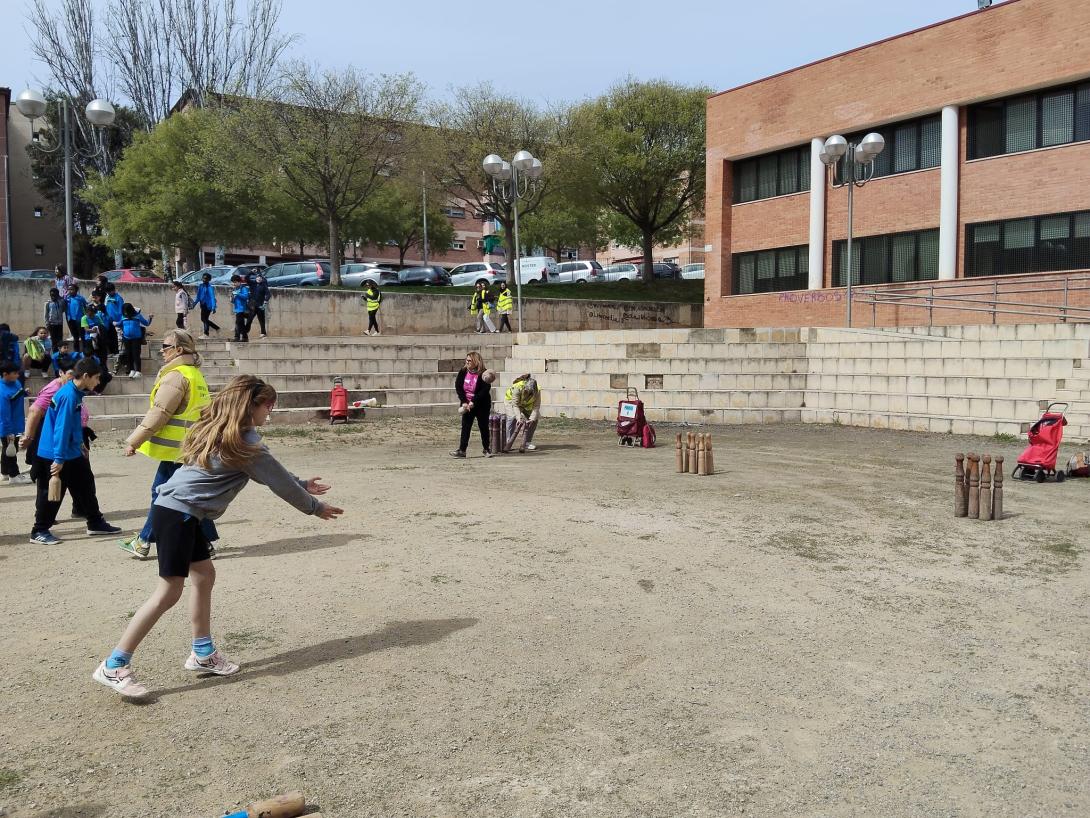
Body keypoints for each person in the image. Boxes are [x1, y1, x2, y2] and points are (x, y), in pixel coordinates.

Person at [92, 375, 344, 698]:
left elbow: (275, 474)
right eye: (268, 406)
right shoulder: (246, 443)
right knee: (168, 592)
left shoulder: (230, 433)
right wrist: (314, 506)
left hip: (180, 510)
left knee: (204, 575)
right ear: (250, 406)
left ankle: (202, 653)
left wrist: (301, 483)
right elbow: (277, 482)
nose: (270, 412)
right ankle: (114, 664)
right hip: (178, 512)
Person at [118, 330, 220, 560]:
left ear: (179, 350)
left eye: (166, 346)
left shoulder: (176, 376)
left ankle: (143, 541)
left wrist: (134, 441)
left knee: (162, 494)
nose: (162, 350)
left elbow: (160, 412)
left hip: (176, 450)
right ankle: (204, 543)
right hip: (191, 446)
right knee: (189, 495)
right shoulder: (194, 374)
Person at [29, 357, 121, 545]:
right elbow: (61, 429)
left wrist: (80, 444)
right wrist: (59, 458)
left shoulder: (75, 393)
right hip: (57, 452)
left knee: (86, 485)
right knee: (54, 492)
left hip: (72, 451)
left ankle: (95, 522)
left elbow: (73, 425)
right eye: (96, 378)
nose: (98, 382)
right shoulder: (69, 396)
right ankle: (39, 530)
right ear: (86, 376)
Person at [451, 351, 492, 458]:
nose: (467, 362)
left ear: (475, 361)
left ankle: (486, 449)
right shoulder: (463, 371)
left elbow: (485, 390)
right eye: (467, 360)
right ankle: (462, 450)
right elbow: (458, 386)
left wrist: (473, 401)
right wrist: (464, 402)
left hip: (481, 403)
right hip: (466, 403)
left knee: (483, 426)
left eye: (469, 360)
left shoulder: (484, 373)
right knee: (466, 426)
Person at [0, 362, 31, 485]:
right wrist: (9, 432)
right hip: (8, 426)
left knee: (7, 449)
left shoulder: (15, 383)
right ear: (5, 374)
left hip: (16, 423)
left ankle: (5, 472)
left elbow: (17, 393)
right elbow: (4, 414)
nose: (17, 375)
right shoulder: (2, 391)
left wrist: (24, 392)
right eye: (14, 373)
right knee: (11, 449)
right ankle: (14, 475)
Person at [504, 375, 541, 452]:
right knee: (512, 418)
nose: (528, 395)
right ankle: (509, 441)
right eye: (527, 392)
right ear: (524, 388)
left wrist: (531, 419)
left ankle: (527, 442)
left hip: (526, 404)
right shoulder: (518, 388)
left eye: (531, 393)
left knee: (535, 418)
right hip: (511, 401)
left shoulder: (538, 391)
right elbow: (515, 405)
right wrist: (519, 418)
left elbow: (536, 406)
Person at [120, 303, 152, 378]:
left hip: (136, 339)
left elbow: (146, 323)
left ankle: (138, 371)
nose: (125, 312)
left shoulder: (138, 316)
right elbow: (120, 324)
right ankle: (132, 370)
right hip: (126, 338)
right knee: (128, 354)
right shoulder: (123, 317)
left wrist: (150, 318)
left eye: (126, 310)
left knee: (136, 354)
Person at [65, 284, 89, 353]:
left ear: (76, 290)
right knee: (75, 337)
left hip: (79, 319)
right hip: (70, 320)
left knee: (82, 336)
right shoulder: (67, 298)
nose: (70, 291)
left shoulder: (80, 298)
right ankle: (76, 351)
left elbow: (86, 307)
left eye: (72, 289)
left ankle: (85, 351)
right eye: (69, 289)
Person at [196, 273, 220, 338]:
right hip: (202, 304)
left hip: (208, 305)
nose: (204, 280)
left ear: (209, 279)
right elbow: (198, 296)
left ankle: (206, 333)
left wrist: (214, 307)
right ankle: (216, 328)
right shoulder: (200, 286)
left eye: (206, 279)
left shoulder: (210, 287)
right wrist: (194, 304)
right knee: (203, 319)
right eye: (203, 278)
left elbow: (212, 297)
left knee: (204, 319)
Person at [103, 283, 124, 357]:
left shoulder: (118, 298)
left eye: (110, 291)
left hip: (117, 321)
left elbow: (121, 311)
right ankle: (111, 351)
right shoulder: (107, 297)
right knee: (110, 337)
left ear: (113, 290)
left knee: (118, 337)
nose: (109, 293)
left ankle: (118, 352)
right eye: (107, 292)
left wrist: (119, 322)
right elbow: (105, 307)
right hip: (108, 321)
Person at [246, 273, 270, 338]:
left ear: (262, 279)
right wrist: (251, 272)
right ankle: (245, 332)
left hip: (260, 305)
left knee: (262, 320)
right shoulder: (252, 284)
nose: (259, 279)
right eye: (257, 277)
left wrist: (265, 301)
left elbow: (268, 294)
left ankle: (263, 333)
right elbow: (246, 278)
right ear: (255, 278)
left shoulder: (264, 286)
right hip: (252, 306)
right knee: (249, 319)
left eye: (260, 278)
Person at [230, 275, 250, 342]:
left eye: (235, 282)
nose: (234, 284)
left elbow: (246, 297)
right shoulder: (234, 289)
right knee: (240, 324)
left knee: (238, 323)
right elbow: (233, 301)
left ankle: (238, 337)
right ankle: (244, 337)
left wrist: (238, 294)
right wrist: (232, 298)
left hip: (242, 309)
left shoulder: (243, 288)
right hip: (237, 309)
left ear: (239, 282)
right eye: (233, 282)